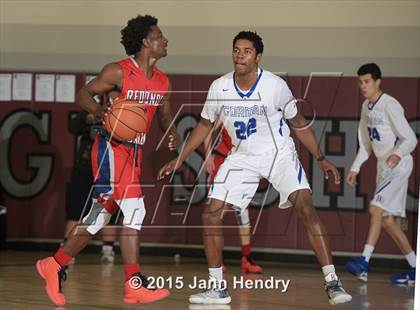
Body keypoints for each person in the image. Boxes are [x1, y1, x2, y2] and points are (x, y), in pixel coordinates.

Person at [158, 31, 352, 305]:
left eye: (247, 51)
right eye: (236, 50)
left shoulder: (275, 86)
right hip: (242, 156)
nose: (240, 55)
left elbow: (298, 123)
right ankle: (217, 287)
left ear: (258, 56)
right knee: (210, 214)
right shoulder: (220, 87)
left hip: (278, 153)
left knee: (306, 208)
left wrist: (321, 157)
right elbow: (203, 126)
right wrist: (179, 159)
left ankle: (332, 281)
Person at [36, 14, 179, 306]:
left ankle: (55, 263)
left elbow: (164, 117)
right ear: (145, 42)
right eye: (160, 36)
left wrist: (173, 134)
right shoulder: (118, 72)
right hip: (111, 149)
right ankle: (133, 283)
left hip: (135, 153)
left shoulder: (164, 81)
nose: (165, 40)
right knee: (136, 210)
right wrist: (104, 114)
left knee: (99, 217)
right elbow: (83, 94)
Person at [345, 63, 417, 284]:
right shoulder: (366, 107)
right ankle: (415, 268)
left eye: (367, 81)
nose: (363, 86)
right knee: (386, 220)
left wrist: (397, 154)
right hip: (383, 168)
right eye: (360, 82)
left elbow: (411, 139)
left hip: (399, 165)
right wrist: (355, 168)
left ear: (378, 82)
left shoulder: (390, 105)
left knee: (375, 208)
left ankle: (364, 262)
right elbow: (366, 145)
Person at [204, 124, 263, 274]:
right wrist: (208, 155)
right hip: (222, 161)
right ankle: (217, 260)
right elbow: (207, 129)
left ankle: (246, 258)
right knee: (216, 215)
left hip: (243, 163)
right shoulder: (228, 106)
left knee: (242, 212)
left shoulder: (255, 109)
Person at [65, 109, 118, 264]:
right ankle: (67, 250)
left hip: (110, 165)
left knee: (110, 208)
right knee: (76, 209)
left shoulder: (124, 106)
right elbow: (73, 127)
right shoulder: (93, 106)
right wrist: (87, 117)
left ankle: (108, 250)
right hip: (86, 164)